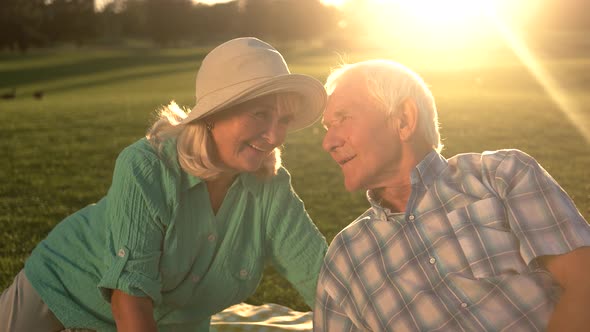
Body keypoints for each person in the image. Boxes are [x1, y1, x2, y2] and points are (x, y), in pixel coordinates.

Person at [0, 37, 328, 332]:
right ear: (214, 113)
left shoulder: (271, 185)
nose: (275, 136)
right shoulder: (148, 166)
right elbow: (129, 298)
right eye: (260, 114)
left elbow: (322, 280)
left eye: (283, 120)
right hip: (65, 288)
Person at [313, 59, 590, 331]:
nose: (328, 143)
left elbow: (584, 283)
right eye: (327, 128)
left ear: (403, 120)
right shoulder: (344, 261)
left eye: (343, 118)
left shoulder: (501, 176)